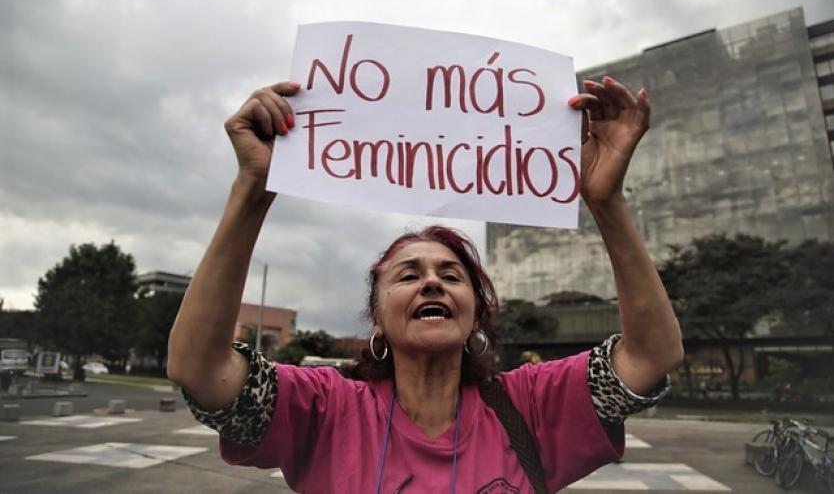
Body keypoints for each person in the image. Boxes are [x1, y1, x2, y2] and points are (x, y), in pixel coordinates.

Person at [167, 76, 684, 493]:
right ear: (378, 317)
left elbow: (650, 357)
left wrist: (606, 202)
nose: (432, 283)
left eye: (451, 275)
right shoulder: (327, 409)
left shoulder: (533, 405)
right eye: (409, 275)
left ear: (475, 313)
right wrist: (253, 190)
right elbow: (200, 368)